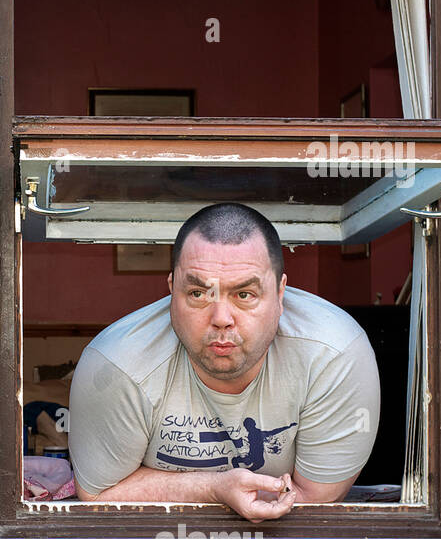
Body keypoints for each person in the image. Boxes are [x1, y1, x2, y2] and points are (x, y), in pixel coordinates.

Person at [68, 203, 380, 521]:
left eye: (244, 294)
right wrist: (214, 488)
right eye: (198, 294)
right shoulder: (116, 364)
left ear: (281, 293)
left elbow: (314, 501)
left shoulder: (334, 354)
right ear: (171, 290)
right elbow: (98, 495)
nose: (221, 319)